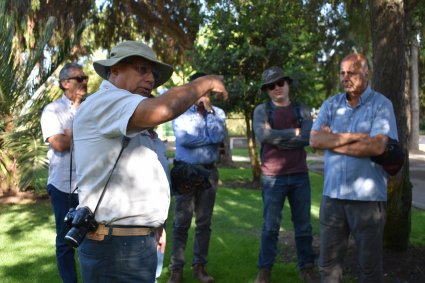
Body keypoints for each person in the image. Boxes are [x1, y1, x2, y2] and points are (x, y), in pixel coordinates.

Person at [72, 41, 228, 283]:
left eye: (153, 73)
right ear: (115, 70)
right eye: (142, 69)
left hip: (134, 240)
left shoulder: (127, 111)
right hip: (116, 246)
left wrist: (152, 226)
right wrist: (204, 83)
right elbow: (163, 109)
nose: (151, 79)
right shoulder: (106, 101)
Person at [309, 53, 398, 283]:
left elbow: (378, 146)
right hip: (333, 199)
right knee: (328, 266)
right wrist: (356, 138)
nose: (345, 77)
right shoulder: (330, 105)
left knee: (369, 269)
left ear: (366, 74)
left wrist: (334, 142)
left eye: (352, 72)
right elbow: (315, 141)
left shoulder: (381, 105)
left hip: (367, 201)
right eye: (342, 73)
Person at [252, 66, 316, 283]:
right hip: (272, 178)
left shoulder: (302, 109)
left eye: (280, 83)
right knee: (270, 227)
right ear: (267, 90)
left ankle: (306, 268)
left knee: (304, 226)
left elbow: (308, 137)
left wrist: (280, 138)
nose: (276, 88)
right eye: (271, 86)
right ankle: (264, 270)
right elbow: (263, 135)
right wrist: (293, 133)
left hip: (299, 175)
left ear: (288, 84)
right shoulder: (262, 111)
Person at [167, 72, 226, 283]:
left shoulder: (217, 112)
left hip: (209, 172)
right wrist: (209, 139)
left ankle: (199, 267)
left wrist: (209, 113)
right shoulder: (180, 112)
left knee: (204, 223)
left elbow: (219, 137)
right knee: (181, 222)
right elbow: (185, 139)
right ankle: (176, 270)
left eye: (206, 88)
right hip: (187, 171)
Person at [40, 62, 88, 283]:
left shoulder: (93, 106)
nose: (85, 81)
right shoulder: (52, 110)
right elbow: (61, 144)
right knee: (65, 239)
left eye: (85, 77)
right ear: (65, 83)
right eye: (79, 78)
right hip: (63, 185)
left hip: (91, 184)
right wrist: (76, 107)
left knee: (93, 238)